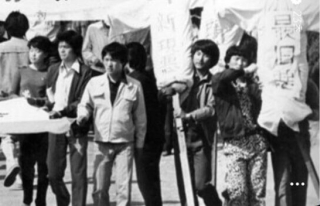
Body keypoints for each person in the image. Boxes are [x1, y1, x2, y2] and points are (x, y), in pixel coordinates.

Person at [77, 42, 146, 206]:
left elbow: (140, 118)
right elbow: (84, 104)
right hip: (102, 142)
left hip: (125, 143)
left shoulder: (134, 86)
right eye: (106, 59)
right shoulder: (94, 83)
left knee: (124, 189)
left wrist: (140, 144)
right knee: (100, 188)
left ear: (123, 62)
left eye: (114, 60)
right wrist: (83, 115)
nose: (109, 64)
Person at [212, 46, 267, 205]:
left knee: (257, 192)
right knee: (238, 190)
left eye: (244, 60)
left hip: (256, 140)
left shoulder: (253, 84)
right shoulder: (220, 81)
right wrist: (244, 72)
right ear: (228, 62)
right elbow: (225, 77)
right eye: (236, 59)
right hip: (234, 142)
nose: (241, 63)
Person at [171, 39, 222, 206]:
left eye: (206, 55)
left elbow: (211, 108)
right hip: (181, 138)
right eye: (198, 53)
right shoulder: (182, 79)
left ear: (212, 59)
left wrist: (190, 116)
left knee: (201, 184)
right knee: (185, 185)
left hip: (201, 138)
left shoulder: (214, 82)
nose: (200, 58)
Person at [45, 30, 93, 206]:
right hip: (55, 124)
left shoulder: (86, 72)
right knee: (53, 172)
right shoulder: (53, 70)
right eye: (59, 46)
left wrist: (64, 111)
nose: (62, 50)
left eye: (66, 47)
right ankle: (63, 200)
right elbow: (50, 97)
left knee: (78, 172)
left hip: (76, 124)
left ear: (75, 49)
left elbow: (83, 99)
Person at [11, 36, 53, 206]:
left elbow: (53, 99)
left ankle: (41, 200)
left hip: (43, 125)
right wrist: (22, 100)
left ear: (46, 53)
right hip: (26, 124)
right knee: (26, 164)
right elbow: (12, 94)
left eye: (38, 51)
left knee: (44, 166)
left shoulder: (50, 73)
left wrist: (40, 102)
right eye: (32, 50)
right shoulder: (21, 71)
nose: (34, 54)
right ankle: (27, 198)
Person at [0, 11, 31, 187]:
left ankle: (12, 163)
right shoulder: (32, 47)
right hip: (27, 95)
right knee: (24, 137)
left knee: (7, 136)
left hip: (5, 94)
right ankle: (21, 174)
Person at [125, 42, 165, 206]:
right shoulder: (149, 77)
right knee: (151, 181)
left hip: (144, 137)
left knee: (146, 182)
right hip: (155, 135)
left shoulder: (134, 80)